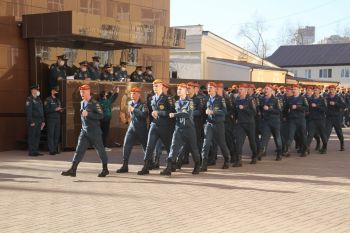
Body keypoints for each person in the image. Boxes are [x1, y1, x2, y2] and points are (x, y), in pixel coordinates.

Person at [61, 84, 109, 177]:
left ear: (88, 91)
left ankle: (105, 169)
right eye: (80, 92)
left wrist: (89, 114)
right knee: (79, 150)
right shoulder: (82, 102)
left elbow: (101, 116)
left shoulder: (95, 103)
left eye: (83, 92)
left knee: (100, 150)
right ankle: (73, 169)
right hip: (84, 131)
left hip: (94, 132)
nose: (81, 93)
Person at [160, 83, 201, 176]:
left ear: (186, 92)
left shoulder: (190, 102)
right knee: (173, 147)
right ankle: (169, 167)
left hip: (189, 129)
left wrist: (175, 114)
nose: (178, 91)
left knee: (193, 148)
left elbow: (187, 114)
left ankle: (197, 165)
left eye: (180, 89)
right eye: (178, 89)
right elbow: (180, 112)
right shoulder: (177, 102)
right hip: (179, 128)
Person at [137, 79, 175, 175]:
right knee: (149, 146)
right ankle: (146, 167)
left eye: (157, 86)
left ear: (162, 86)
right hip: (154, 125)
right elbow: (150, 112)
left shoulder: (168, 98)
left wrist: (159, 112)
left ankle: (170, 167)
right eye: (154, 86)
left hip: (165, 126)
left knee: (168, 147)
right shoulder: (152, 98)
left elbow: (171, 112)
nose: (155, 88)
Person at [116, 87, 149, 173]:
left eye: (134, 93)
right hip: (132, 127)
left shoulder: (143, 104)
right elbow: (129, 115)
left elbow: (144, 115)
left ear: (139, 94)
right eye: (131, 93)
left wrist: (135, 110)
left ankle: (146, 166)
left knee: (146, 147)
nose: (132, 95)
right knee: (126, 145)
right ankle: (125, 165)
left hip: (141, 128)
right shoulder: (130, 102)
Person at [200, 82, 230, 171]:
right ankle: (203, 163)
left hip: (219, 124)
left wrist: (214, 112)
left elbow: (225, 111)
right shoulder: (207, 99)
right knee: (206, 143)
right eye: (208, 88)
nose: (209, 89)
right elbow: (203, 111)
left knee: (222, 143)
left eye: (211, 88)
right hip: (209, 124)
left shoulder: (221, 99)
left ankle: (227, 160)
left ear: (215, 89)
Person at [233, 83, 258, 165]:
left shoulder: (250, 99)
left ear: (246, 91)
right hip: (240, 124)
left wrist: (244, 108)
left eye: (241, 89)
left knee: (252, 141)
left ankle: (254, 156)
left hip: (249, 124)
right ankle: (238, 160)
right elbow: (235, 111)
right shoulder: (237, 99)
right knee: (238, 142)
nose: (239, 91)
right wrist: (235, 118)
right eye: (239, 89)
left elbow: (254, 112)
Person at [258, 84, 283, 161]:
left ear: (271, 90)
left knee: (277, 138)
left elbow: (279, 111)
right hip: (266, 121)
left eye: (267, 89)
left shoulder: (276, 99)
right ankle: (260, 153)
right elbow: (259, 109)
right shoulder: (262, 99)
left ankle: (279, 153)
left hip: (275, 122)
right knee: (263, 138)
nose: (266, 90)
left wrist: (269, 109)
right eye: (265, 89)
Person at [284, 84, 309, 157]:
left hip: (301, 119)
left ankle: (304, 150)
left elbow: (307, 108)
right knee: (290, 135)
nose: (294, 90)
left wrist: (297, 107)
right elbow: (285, 109)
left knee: (303, 135)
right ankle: (287, 150)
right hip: (292, 120)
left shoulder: (303, 98)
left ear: (299, 90)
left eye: (295, 89)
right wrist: (284, 116)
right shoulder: (290, 99)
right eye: (293, 89)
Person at [306, 86, 328, 154]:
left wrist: (317, 106)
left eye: (316, 90)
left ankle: (324, 147)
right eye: (314, 90)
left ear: (319, 91)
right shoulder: (310, 100)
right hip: (312, 119)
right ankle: (306, 149)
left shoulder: (323, 99)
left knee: (322, 135)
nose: (315, 91)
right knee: (310, 134)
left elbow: (325, 109)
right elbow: (307, 108)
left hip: (320, 120)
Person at [26, 84, 45, 156]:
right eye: (37, 89)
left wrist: (43, 121)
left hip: (39, 121)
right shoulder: (29, 99)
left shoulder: (39, 99)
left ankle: (36, 150)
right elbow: (29, 111)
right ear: (33, 90)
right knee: (32, 136)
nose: (38, 91)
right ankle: (31, 151)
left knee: (37, 136)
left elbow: (41, 110)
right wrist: (31, 121)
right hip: (33, 120)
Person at [325, 85, 346, 151]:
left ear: (335, 90)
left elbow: (344, 105)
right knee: (327, 133)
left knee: (339, 132)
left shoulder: (339, 97)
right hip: (329, 118)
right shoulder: (326, 98)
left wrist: (335, 103)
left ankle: (342, 145)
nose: (332, 91)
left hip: (337, 118)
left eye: (333, 89)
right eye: (330, 89)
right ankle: (324, 147)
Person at [98, 86, 119, 151]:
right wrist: (117, 92)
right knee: (105, 133)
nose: (107, 95)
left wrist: (112, 90)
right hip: (106, 119)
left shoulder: (101, 101)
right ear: (104, 96)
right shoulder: (106, 102)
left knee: (102, 133)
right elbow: (112, 98)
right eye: (106, 94)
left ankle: (100, 146)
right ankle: (103, 147)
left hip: (102, 119)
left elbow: (109, 95)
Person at [44, 87, 64, 155]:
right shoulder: (48, 100)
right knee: (51, 134)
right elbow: (46, 110)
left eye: (57, 92)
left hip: (57, 119)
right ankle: (51, 150)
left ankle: (55, 149)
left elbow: (59, 108)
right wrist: (54, 110)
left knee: (57, 135)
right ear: (52, 91)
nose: (56, 93)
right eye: (55, 91)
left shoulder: (58, 100)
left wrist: (60, 110)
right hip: (51, 119)